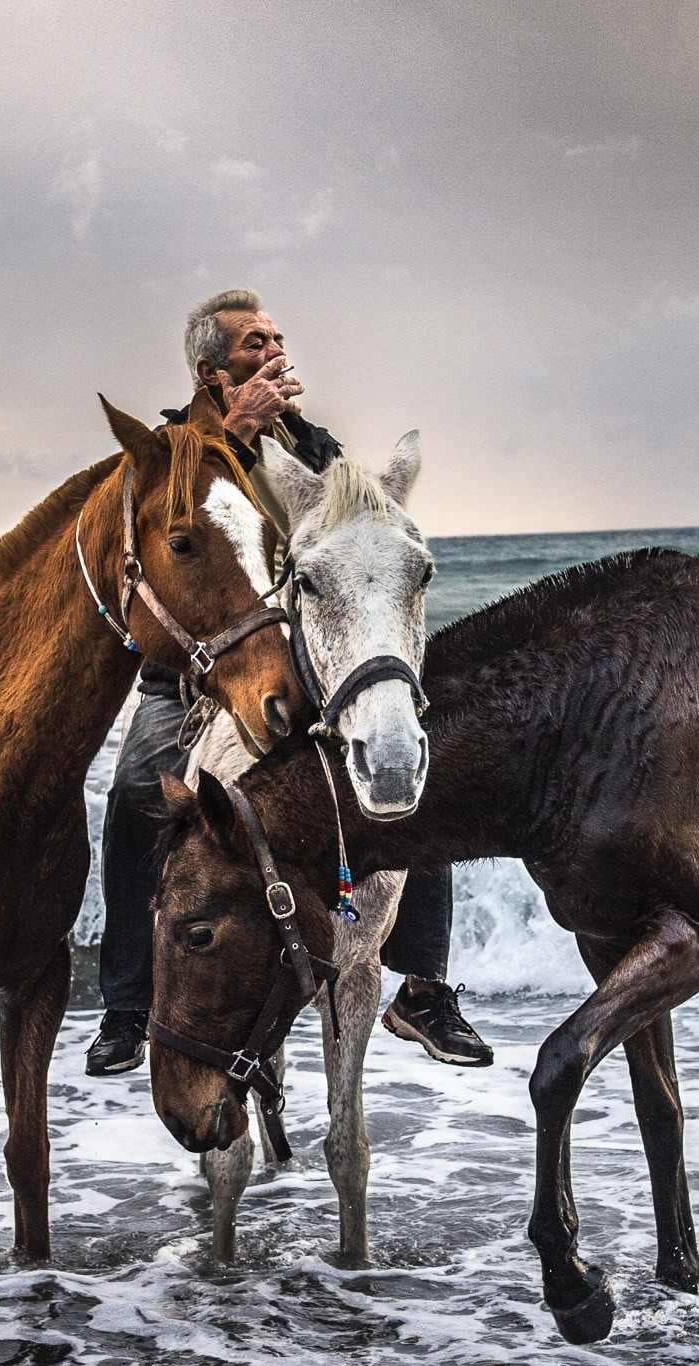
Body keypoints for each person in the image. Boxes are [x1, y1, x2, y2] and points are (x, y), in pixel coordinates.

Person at [85, 289, 492, 1076]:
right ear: (211, 371)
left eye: (275, 338)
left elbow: (350, 537)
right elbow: (186, 526)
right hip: (203, 673)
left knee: (409, 756)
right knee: (137, 788)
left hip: (301, 658)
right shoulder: (175, 449)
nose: (273, 351)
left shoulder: (314, 445)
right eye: (252, 344)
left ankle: (424, 989)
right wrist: (234, 432)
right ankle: (129, 1005)